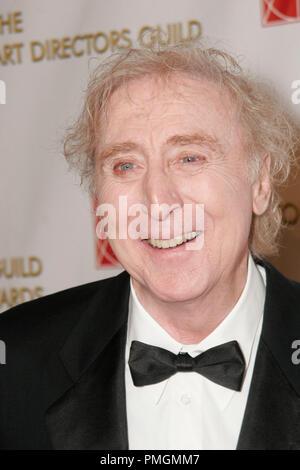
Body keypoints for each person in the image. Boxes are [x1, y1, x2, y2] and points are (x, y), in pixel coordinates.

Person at [0, 42, 300, 451]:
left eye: (190, 158)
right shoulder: (13, 364)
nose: (157, 200)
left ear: (260, 183)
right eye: (126, 165)